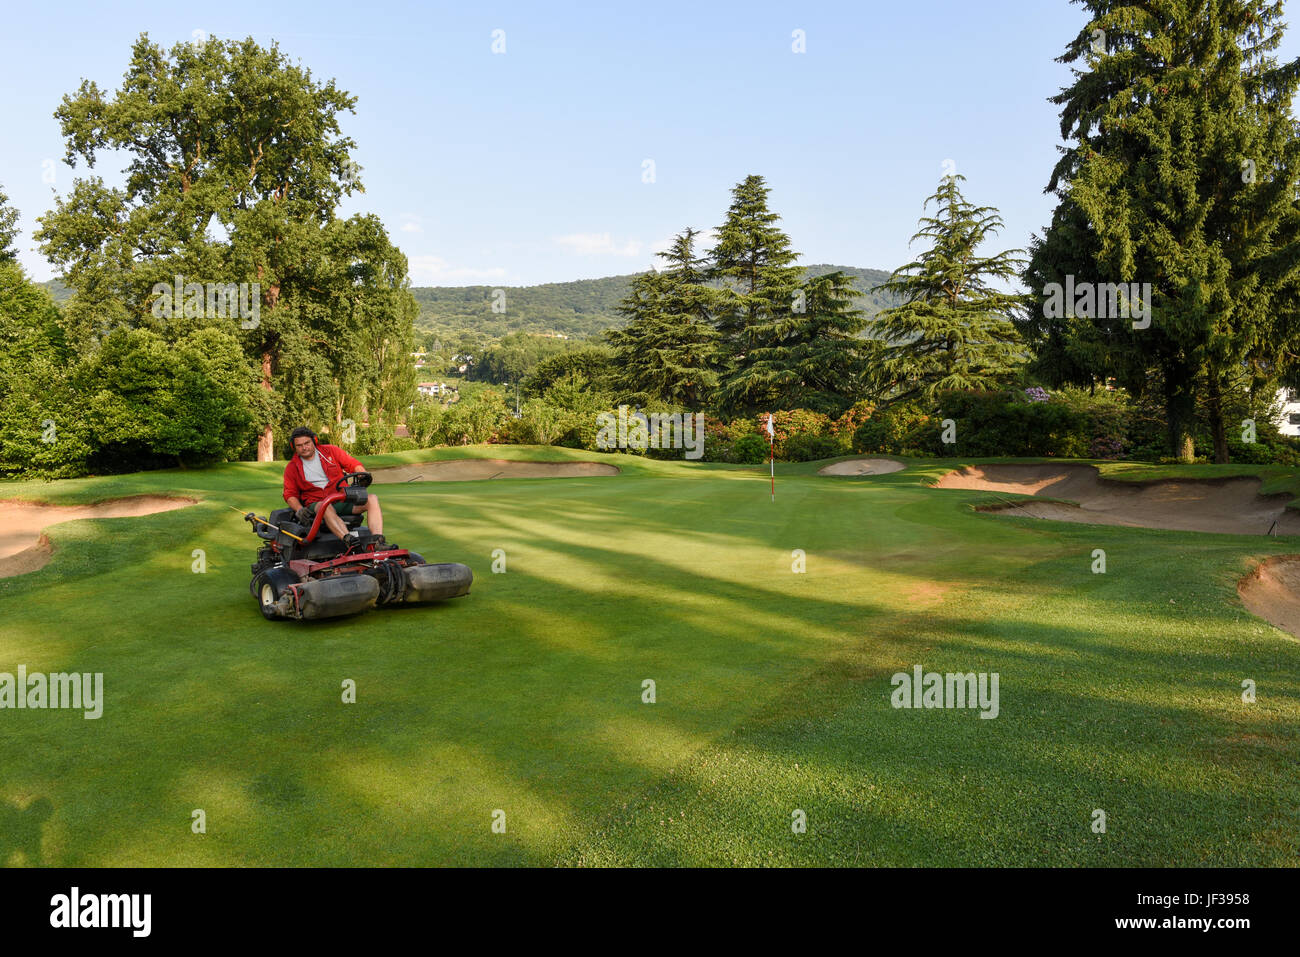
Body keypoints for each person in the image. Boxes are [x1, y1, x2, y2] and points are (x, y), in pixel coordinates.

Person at [282, 427, 383, 546]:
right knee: (324, 506)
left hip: (340, 498)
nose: (304, 448)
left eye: (307, 443)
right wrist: (299, 509)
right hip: (317, 503)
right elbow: (290, 494)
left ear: (314, 441)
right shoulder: (292, 468)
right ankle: (350, 541)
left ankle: (378, 542)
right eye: (299, 445)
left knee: (371, 499)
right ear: (294, 447)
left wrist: (361, 473)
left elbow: (352, 464)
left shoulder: (331, 452)